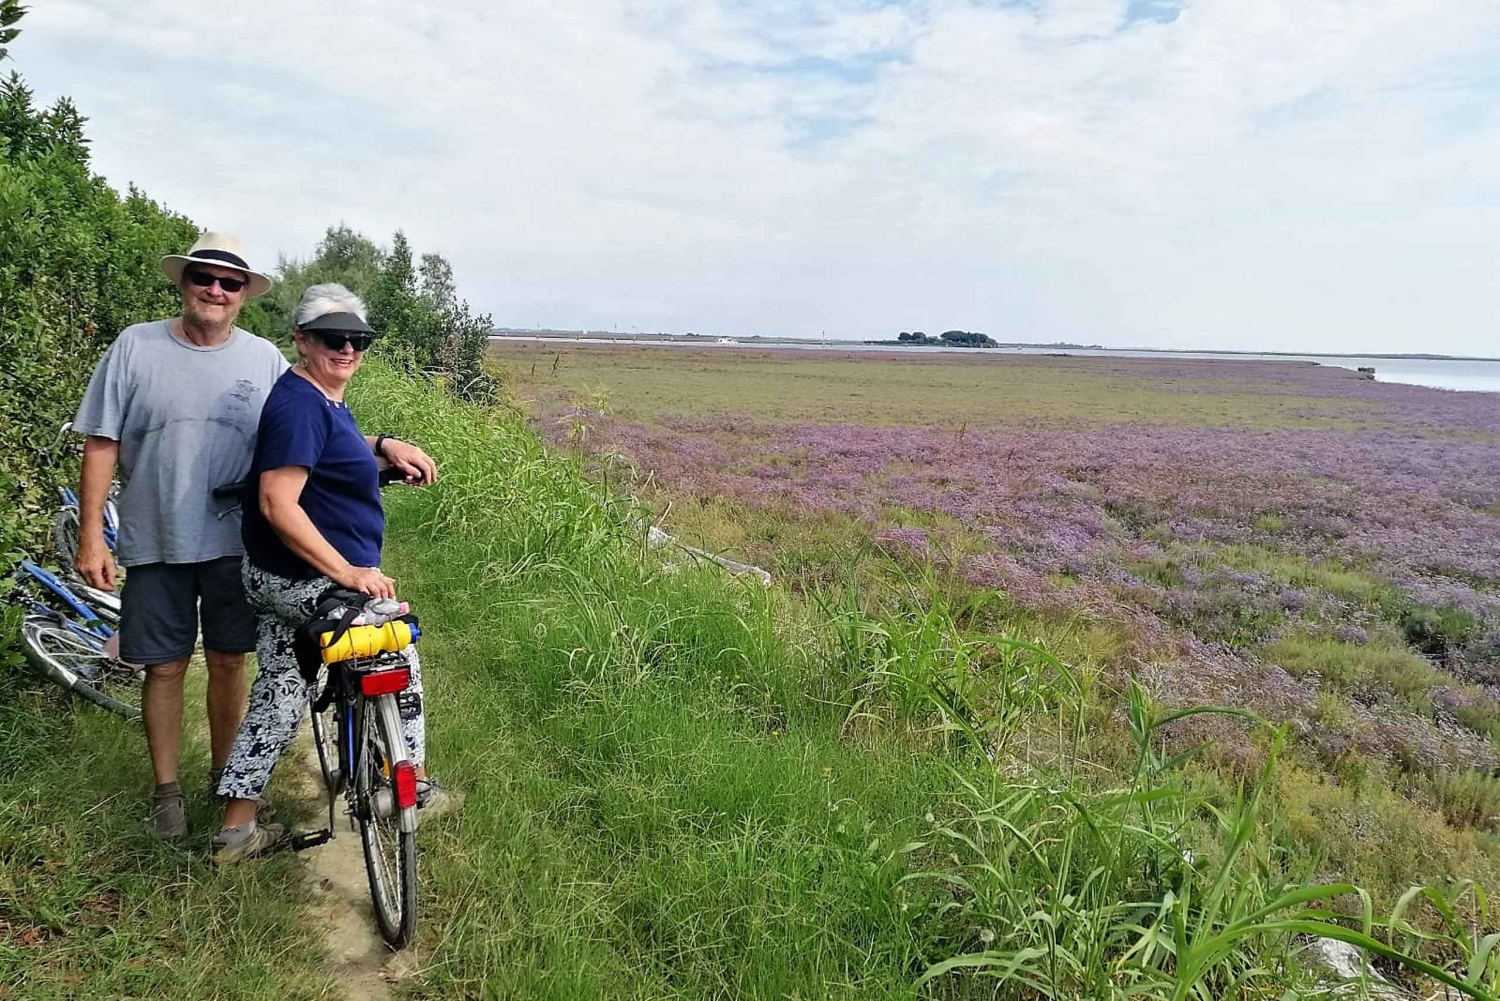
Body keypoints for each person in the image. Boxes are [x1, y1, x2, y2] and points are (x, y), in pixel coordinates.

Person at [212, 283, 459, 863]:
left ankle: (236, 830)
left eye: (357, 339)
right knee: (396, 644)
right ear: (302, 340)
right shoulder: (301, 404)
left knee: (280, 692)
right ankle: (413, 786)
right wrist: (347, 571)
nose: (347, 348)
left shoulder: (317, 397)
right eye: (332, 337)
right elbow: (277, 503)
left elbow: (328, 451)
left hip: (275, 575)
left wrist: (384, 449)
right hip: (305, 578)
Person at [73, 233, 286, 841]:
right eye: (204, 277)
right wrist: (92, 536)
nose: (215, 290)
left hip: (237, 542)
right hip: (155, 537)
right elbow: (101, 443)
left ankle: (226, 778)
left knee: (228, 660)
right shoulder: (134, 346)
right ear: (184, 282)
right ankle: (166, 792)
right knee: (163, 668)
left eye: (230, 283)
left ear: (243, 295)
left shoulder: (265, 360)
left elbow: (303, 435)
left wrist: (379, 449)